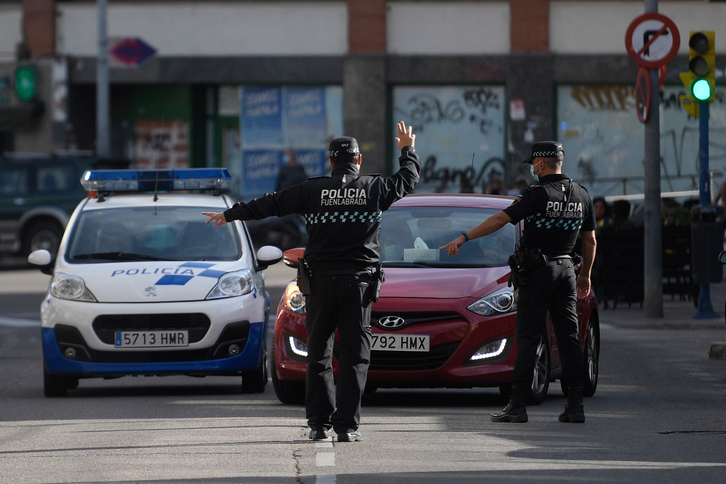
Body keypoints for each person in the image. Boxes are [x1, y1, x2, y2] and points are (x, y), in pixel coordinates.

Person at [203, 121, 421, 442]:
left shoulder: (311, 190)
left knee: (318, 354)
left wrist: (231, 214)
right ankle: (346, 427)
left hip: (319, 285)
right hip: (358, 286)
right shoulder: (374, 188)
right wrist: (407, 148)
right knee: (355, 356)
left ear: (330, 162)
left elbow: (271, 203)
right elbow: (408, 179)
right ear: (358, 161)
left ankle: (318, 424)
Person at [440, 140, 596, 424]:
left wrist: (464, 237)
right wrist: (585, 275)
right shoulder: (581, 195)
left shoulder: (537, 195)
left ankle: (517, 405)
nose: (532, 169)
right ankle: (575, 406)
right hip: (567, 270)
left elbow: (501, 218)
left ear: (540, 164)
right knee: (570, 339)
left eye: (532, 164)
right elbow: (590, 240)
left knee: (527, 338)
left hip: (540, 272)